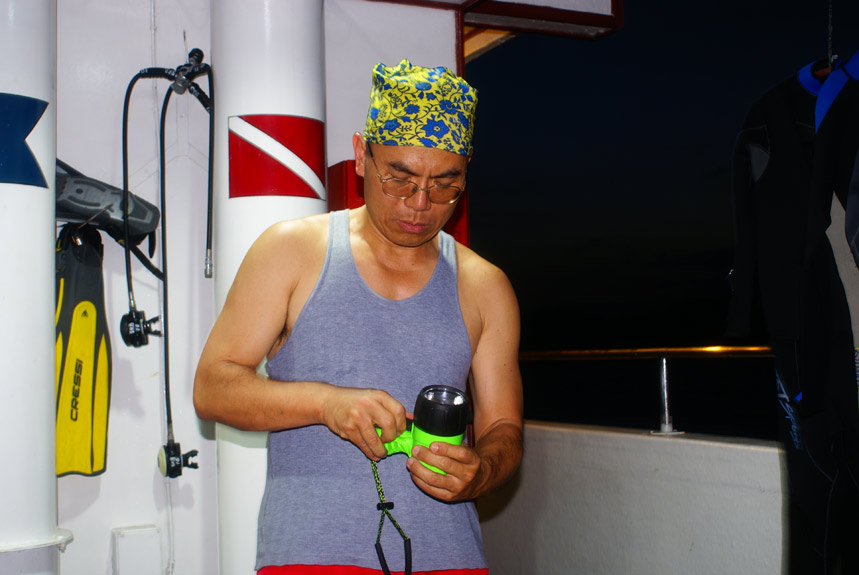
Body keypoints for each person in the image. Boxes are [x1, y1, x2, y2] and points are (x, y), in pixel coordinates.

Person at [193, 59, 523, 575]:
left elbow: (503, 426)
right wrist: (326, 403)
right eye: (400, 178)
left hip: (451, 559)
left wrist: (481, 471)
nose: (420, 204)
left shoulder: (485, 285)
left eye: (444, 185)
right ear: (360, 155)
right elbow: (212, 387)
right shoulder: (291, 251)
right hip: (312, 558)